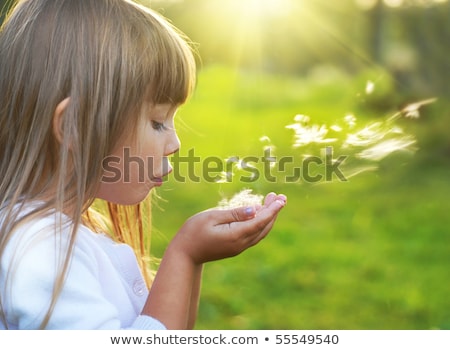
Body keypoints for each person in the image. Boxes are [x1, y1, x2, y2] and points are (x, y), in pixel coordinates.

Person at [0, 0, 286, 330]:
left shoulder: (61, 233)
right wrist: (184, 253)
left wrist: (193, 261)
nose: (175, 144)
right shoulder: (41, 250)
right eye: (157, 122)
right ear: (76, 126)